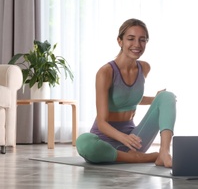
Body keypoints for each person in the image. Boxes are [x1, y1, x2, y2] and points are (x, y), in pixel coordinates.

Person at [76, 18, 177, 168]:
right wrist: (123, 138)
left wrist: (157, 100)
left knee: (168, 96)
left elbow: (129, 97)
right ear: (120, 41)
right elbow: (102, 123)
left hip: (133, 139)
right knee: (84, 143)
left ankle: (164, 152)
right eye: (131, 39)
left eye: (142, 40)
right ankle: (142, 158)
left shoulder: (144, 68)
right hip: (105, 140)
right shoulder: (106, 72)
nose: (137, 44)